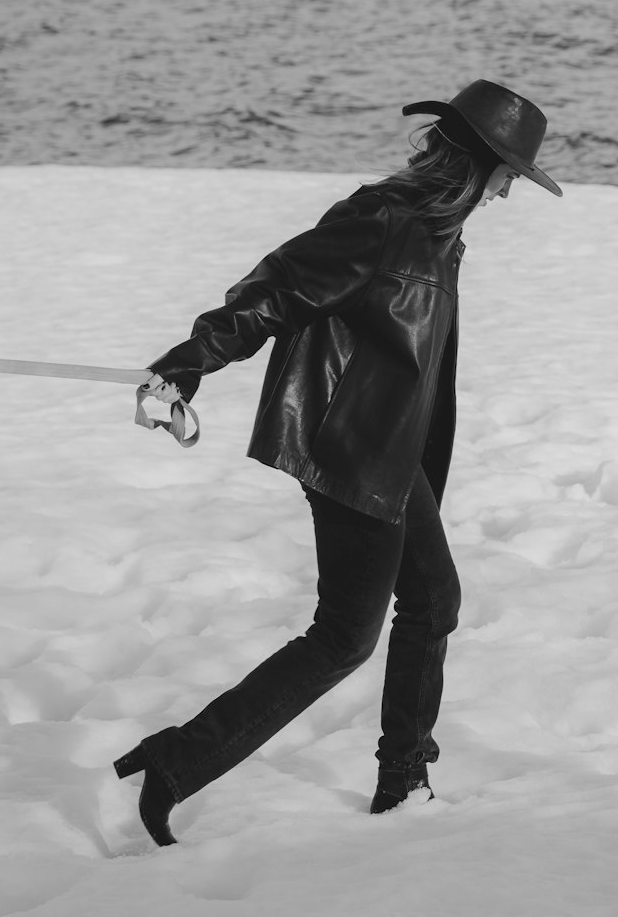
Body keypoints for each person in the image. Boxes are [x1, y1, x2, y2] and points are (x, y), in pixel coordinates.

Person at [113, 79, 563, 846]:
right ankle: (179, 761)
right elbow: (275, 289)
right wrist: (187, 363)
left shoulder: (438, 230)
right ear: (480, 163)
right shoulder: (381, 219)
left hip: (394, 449)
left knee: (434, 603)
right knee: (344, 636)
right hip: (352, 449)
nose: (507, 195)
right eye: (508, 177)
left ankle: (405, 778)